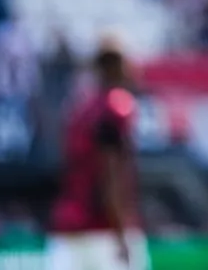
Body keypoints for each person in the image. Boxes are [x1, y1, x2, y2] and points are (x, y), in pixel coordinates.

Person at [47, 35, 148, 270]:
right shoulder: (117, 106)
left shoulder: (79, 107)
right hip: (103, 232)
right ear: (116, 65)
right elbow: (110, 173)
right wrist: (121, 233)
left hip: (67, 227)